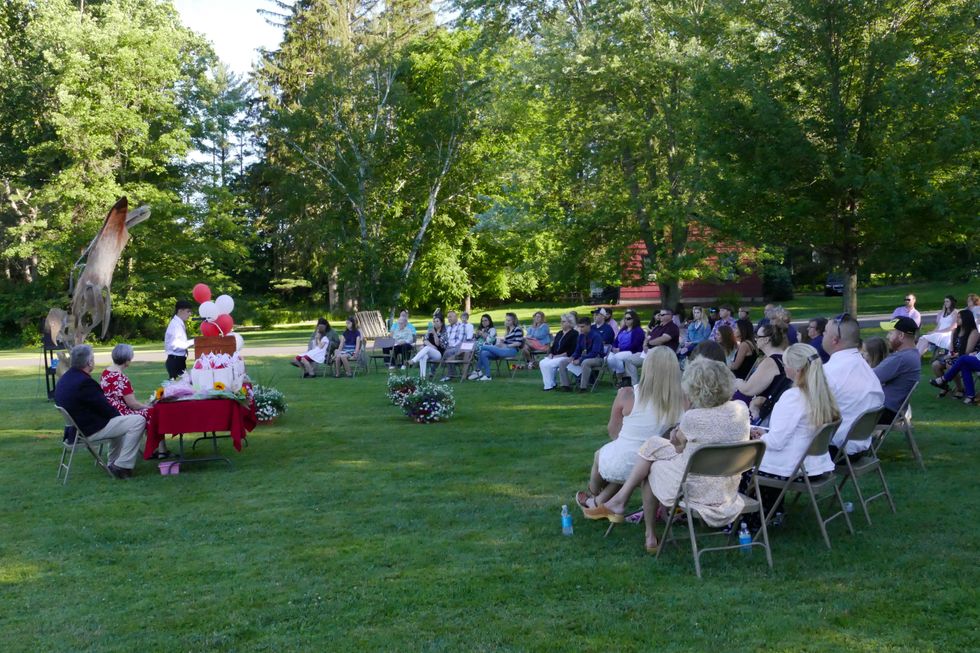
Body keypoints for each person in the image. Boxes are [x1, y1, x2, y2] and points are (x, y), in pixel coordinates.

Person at [585, 358, 750, 553]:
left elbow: (678, 447)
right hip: (725, 484)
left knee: (650, 469)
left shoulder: (694, 418)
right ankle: (620, 502)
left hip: (694, 488)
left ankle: (648, 533)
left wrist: (675, 436)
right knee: (653, 445)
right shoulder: (740, 408)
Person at [576, 348, 685, 510]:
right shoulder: (682, 400)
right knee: (632, 460)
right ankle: (599, 501)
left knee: (603, 455)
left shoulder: (628, 393)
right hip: (655, 464)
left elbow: (613, 431)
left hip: (624, 462)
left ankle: (593, 495)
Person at [747, 343, 839, 516]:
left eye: (785, 364)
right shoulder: (822, 392)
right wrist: (766, 435)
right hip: (814, 464)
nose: (784, 368)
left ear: (797, 369)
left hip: (792, 467)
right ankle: (773, 511)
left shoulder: (793, 397)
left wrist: (759, 437)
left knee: (742, 465)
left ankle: (752, 517)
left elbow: (776, 442)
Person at [55, 344, 145, 479]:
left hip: (76, 429)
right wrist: (120, 415)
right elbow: (105, 408)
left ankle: (113, 463)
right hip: (89, 430)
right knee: (138, 420)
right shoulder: (84, 382)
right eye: (93, 358)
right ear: (89, 362)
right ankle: (123, 465)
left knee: (119, 421)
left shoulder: (65, 378)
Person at [823, 315, 885, 459]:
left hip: (831, 450)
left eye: (825, 332)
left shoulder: (828, 372)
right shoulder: (867, 370)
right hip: (859, 448)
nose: (822, 335)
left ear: (834, 340)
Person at [99, 343, 172, 459]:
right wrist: (148, 406)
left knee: (149, 412)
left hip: (110, 411)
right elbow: (133, 405)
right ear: (127, 360)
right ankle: (160, 450)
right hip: (121, 414)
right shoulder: (121, 379)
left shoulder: (106, 373)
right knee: (153, 413)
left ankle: (155, 449)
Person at [734, 322, 790, 424]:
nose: (755, 339)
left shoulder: (771, 361)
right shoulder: (785, 357)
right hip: (773, 410)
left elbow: (748, 389)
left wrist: (737, 382)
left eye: (757, 336)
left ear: (766, 339)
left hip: (766, 416)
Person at [873, 317, 922, 424]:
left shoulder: (901, 358)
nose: (887, 336)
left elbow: (870, 377)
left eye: (890, 333)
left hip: (883, 412)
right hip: (892, 410)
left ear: (901, 336)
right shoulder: (912, 354)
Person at [930, 309, 979, 400]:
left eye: (959, 318)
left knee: (950, 364)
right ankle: (944, 387)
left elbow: (967, 352)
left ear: (966, 319)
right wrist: (950, 354)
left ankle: (960, 389)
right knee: (935, 365)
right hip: (955, 355)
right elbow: (951, 348)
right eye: (957, 317)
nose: (957, 319)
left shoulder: (973, 332)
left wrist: (953, 356)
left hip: (966, 357)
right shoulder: (955, 331)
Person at [623, 309, 680, 385]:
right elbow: (647, 338)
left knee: (649, 365)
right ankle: (635, 386)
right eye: (659, 314)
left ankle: (649, 386)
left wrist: (649, 343)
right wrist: (644, 345)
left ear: (670, 316)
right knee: (629, 360)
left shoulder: (672, 327)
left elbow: (662, 339)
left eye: (662, 315)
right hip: (649, 352)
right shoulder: (657, 327)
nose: (660, 316)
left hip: (663, 354)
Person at [470, 312, 524, 382]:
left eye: (509, 320)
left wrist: (506, 345)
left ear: (513, 321)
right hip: (503, 349)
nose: (507, 322)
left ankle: (478, 370)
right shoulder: (507, 330)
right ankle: (488, 375)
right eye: (506, 320)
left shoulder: (517, 329)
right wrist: (500, 344)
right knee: (484, 353)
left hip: (511, 350)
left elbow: (518, 343)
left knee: (483, 347)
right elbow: (506, 342)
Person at [558, 316, 604, 391]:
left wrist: (580, 359)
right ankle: (565, 386)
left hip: (598, 359)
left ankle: (583, 387)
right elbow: (578, 350)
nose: (580, 329)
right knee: (562, 362)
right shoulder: (581, 336)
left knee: (585, 362)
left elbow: (594, 353)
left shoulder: (596, 336)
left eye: (582, 327)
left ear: (589, 326)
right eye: (579, 327)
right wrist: (572, 357)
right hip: (585, 357)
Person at [605, 310, 644, 386]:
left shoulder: (638, 330)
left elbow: (635, 345)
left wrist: (620, 349)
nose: (626, 320)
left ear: (634, 319)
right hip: (618, 351)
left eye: (628, 318)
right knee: (607, 358)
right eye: (625, 318)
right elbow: (616, 341)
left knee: (616, 357)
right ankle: (621, 377)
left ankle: (621, 379)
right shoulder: (623, 329)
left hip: (632, 352)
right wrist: (614, 348)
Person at [540, 313, 578, 391]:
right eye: (561, 321)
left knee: (549, 364)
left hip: (566, 357)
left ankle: (550, 385)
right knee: (542, 362)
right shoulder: (559, 333)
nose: (561, 323)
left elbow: (572, 349)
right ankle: (549, 384)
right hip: (555, 356)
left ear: (569, 323)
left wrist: (560, 355)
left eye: (563, 321)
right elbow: (553, 346)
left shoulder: (574, 334)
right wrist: (550, 353)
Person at [164, 300, 195, 379]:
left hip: (178, 360)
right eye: (188, 311)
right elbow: (176, 344)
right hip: (175, 361)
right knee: (179, 387)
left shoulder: (178, 323)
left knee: (183, 385)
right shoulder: (175, 325)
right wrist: (194, 341)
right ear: (180, 310)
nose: (190, 314)